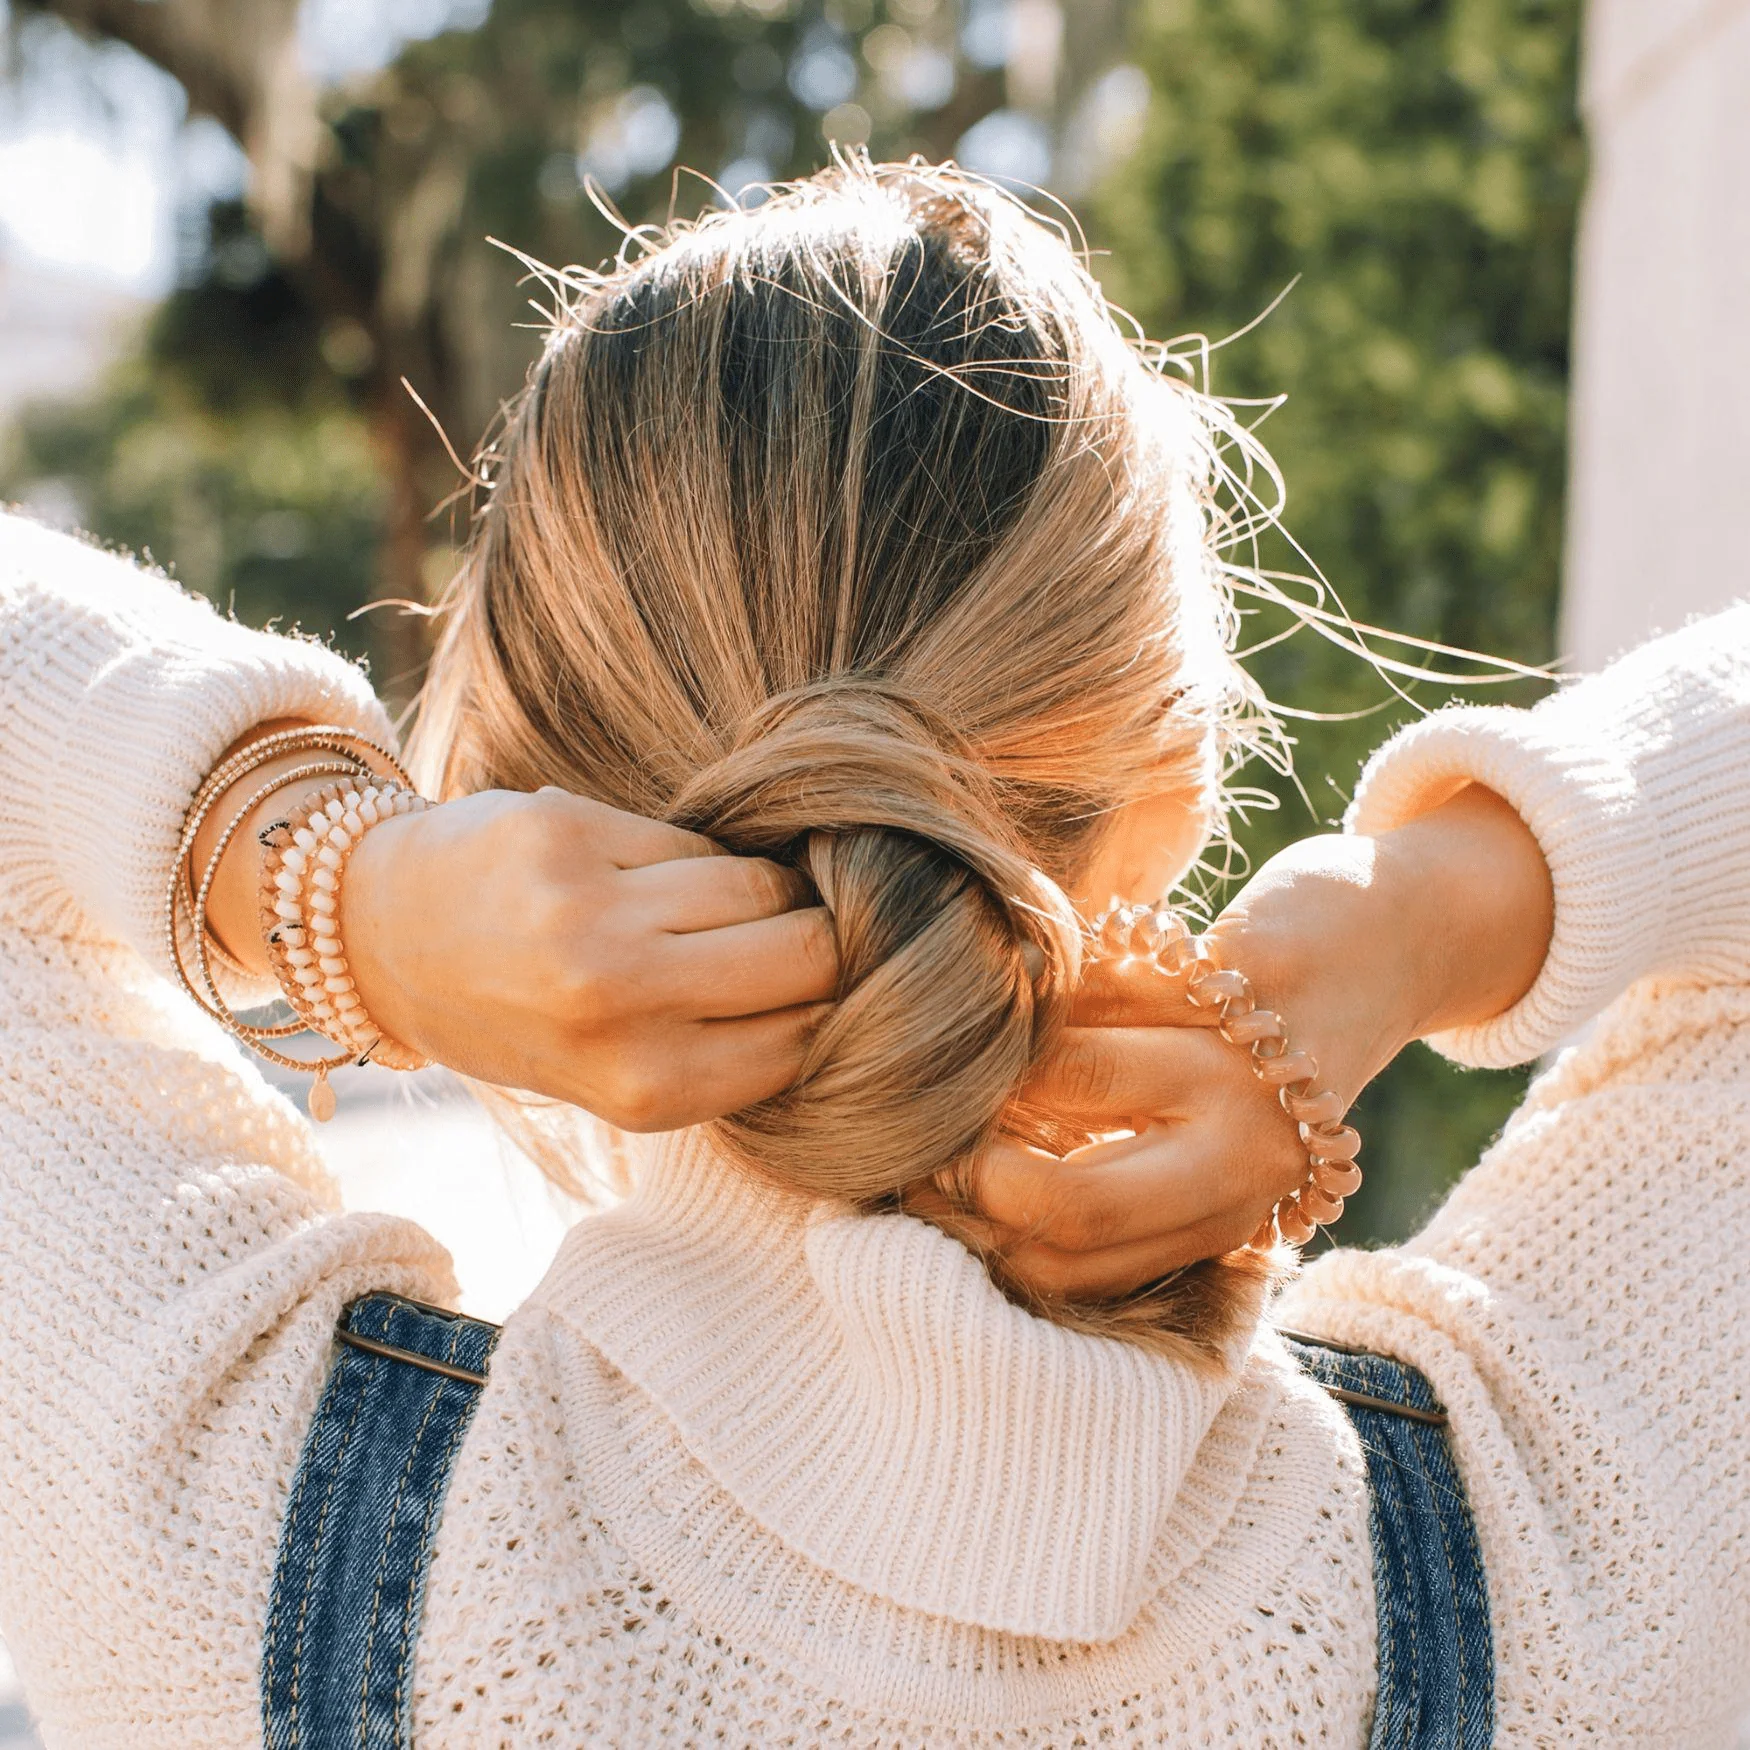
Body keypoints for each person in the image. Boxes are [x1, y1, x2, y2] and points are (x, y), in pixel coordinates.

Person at [0, 157, 1746, 1746]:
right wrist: (1411, 908)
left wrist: (322, 876)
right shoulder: (1560, 1576)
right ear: (1178, 777)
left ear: (509, 795)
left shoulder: (214, 1543)